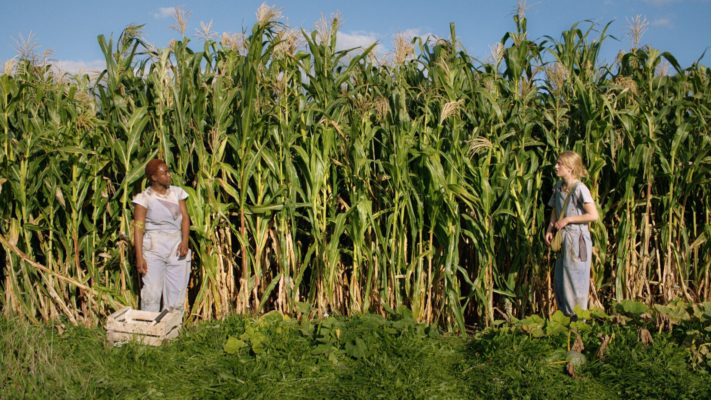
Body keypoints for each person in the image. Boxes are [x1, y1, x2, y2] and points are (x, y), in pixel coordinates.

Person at [544, 151, 598, 318]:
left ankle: (579, 321)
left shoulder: (580, 188)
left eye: (559, 164)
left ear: (570, 168)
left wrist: (568, 220)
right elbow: (555, 209)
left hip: (577, 238)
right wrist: (549, 229)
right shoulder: (559, 186)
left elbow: (593, 215)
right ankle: (566, 319)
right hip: (563, 238)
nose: (556, 166)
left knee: (576, 280)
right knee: (561, 280)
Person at [133, 159, 191, 313]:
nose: (169, 175)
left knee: (176, 290)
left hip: (176, 245)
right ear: (154, 178)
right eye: (164, 173)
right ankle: (149, 331)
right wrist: (139, 257)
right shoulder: (143, 198)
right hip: (153, 246)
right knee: (152, 290)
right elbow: (138, 228)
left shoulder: (177, 193)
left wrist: (184, 241)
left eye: (168, 171)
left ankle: (173, 331)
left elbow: (185, 218)